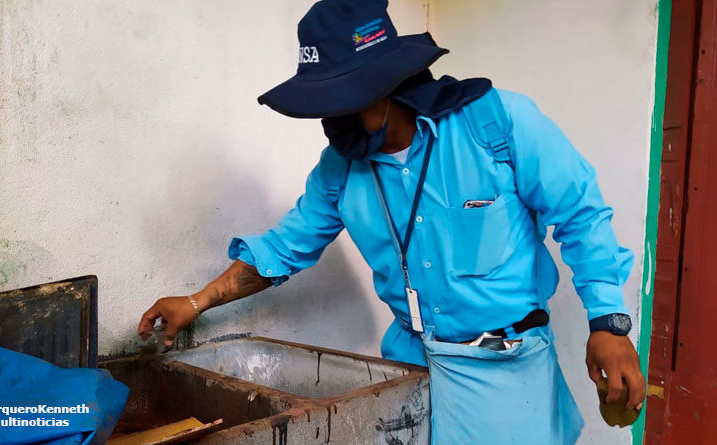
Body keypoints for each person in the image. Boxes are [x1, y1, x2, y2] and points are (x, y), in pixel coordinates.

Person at [138, 0, 646, 442]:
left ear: (385, 87)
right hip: (408, 370)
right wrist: (196, 301)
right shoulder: (340, 168)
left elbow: (581, 214)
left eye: (341, 103)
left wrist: (609, 323)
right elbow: (283, 250)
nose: (331, 122)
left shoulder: (496, 125)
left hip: (506, 375)